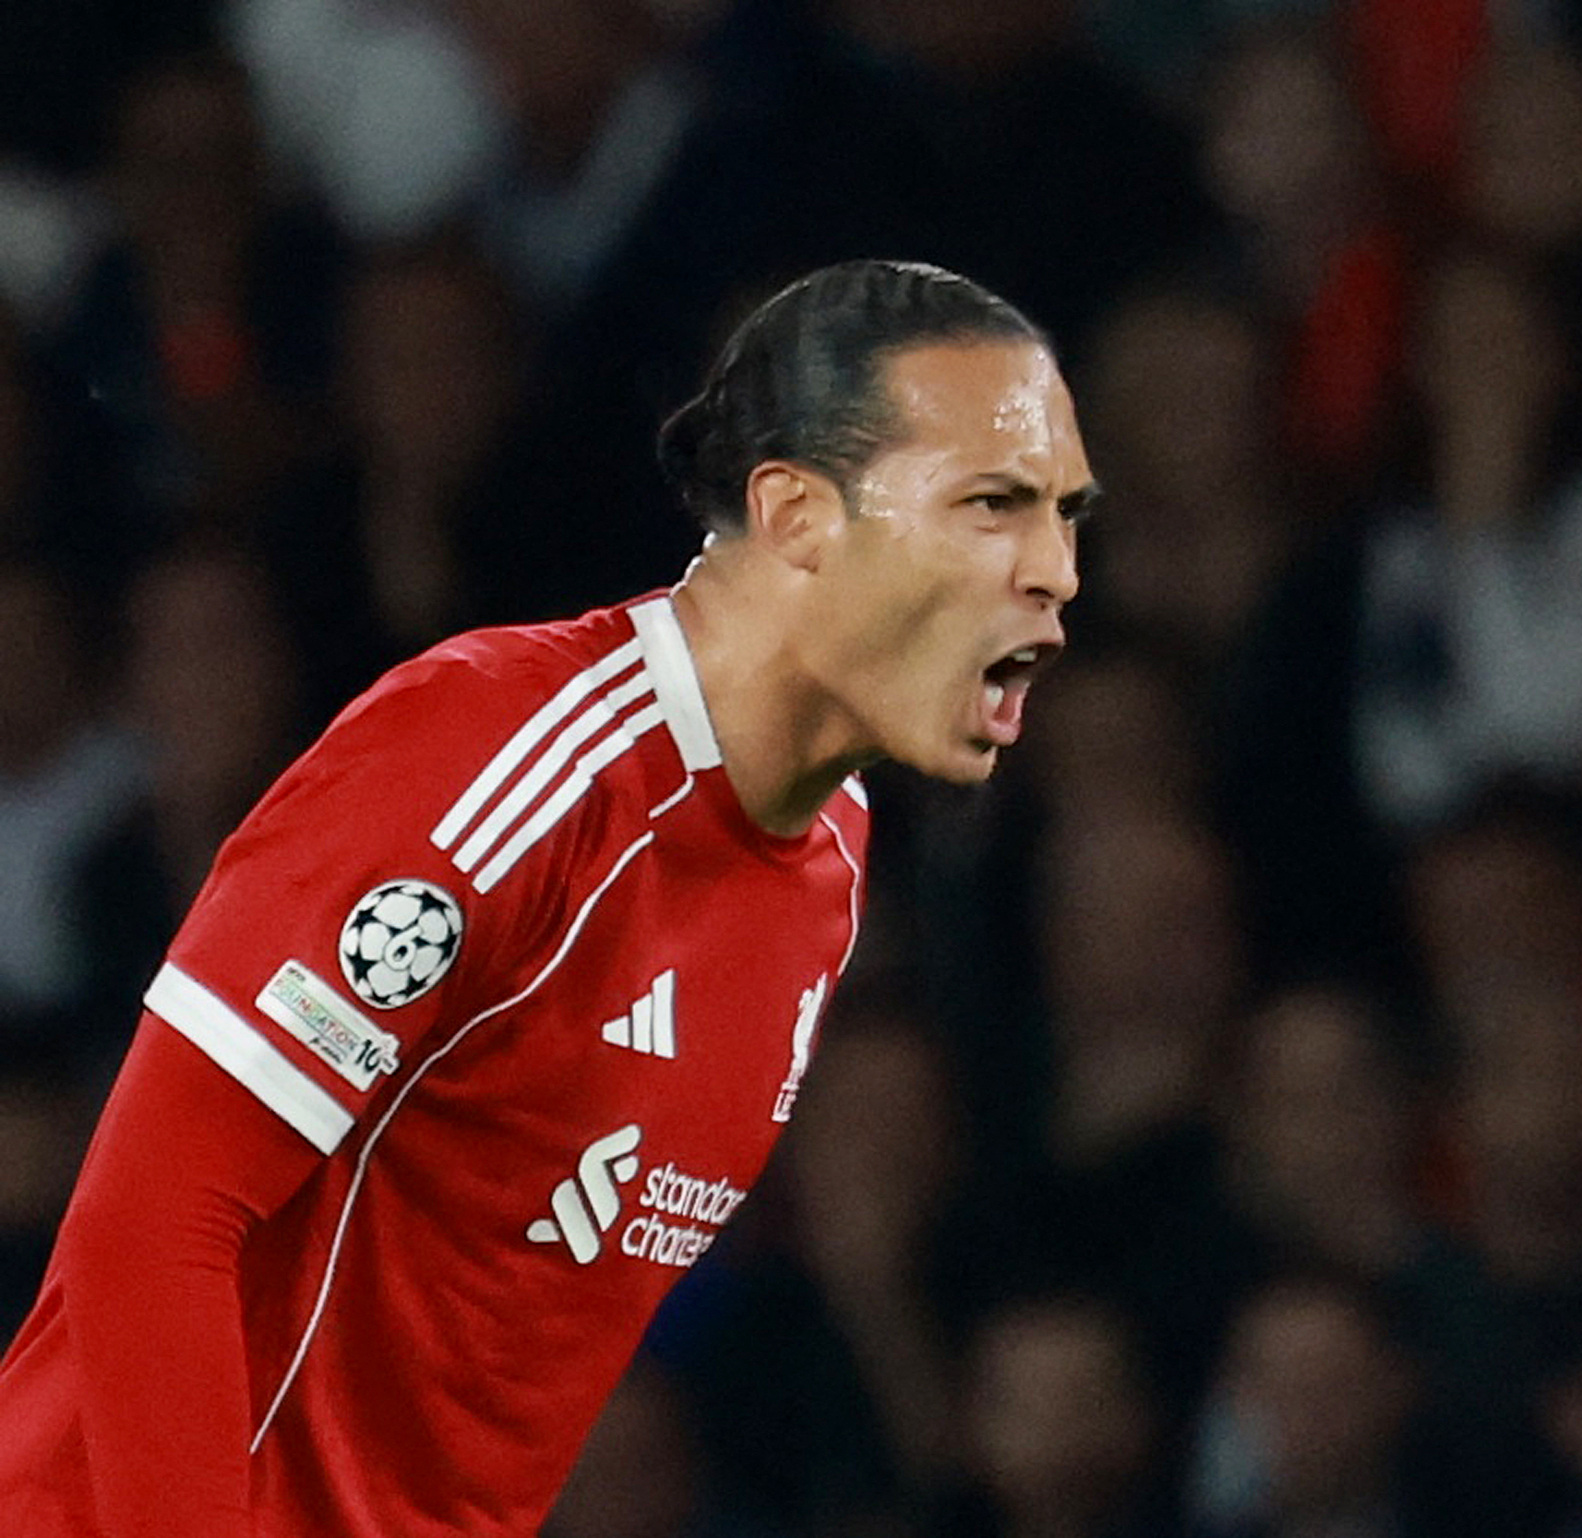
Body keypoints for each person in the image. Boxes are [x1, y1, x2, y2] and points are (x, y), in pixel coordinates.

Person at [0, 257, 1096, 1537]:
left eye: (1065, 515)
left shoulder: (827, 868)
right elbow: (151, 1222)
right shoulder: (498, 751)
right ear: (797, 516)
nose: (1053, 573)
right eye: (990, 506)